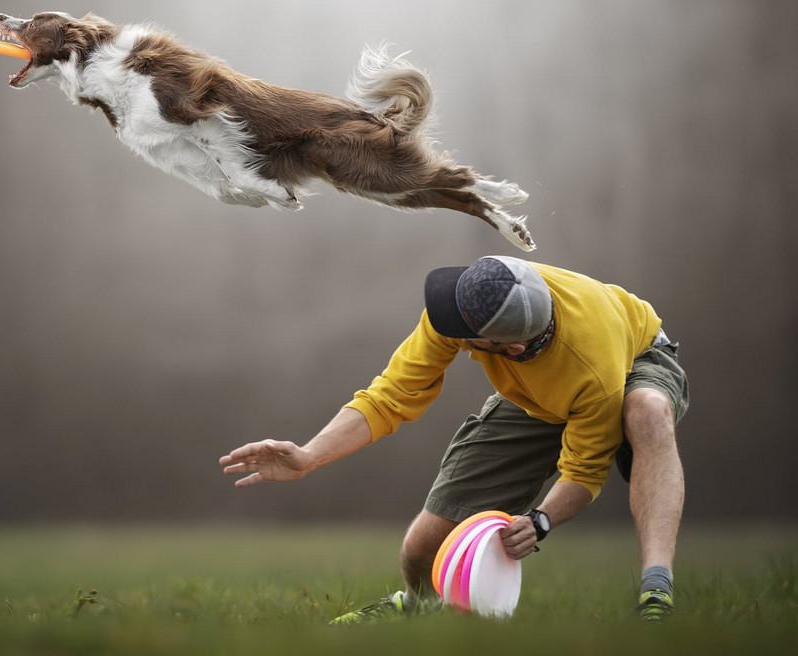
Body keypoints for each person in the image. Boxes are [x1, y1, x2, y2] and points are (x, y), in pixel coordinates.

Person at [219, 255, 688, 623]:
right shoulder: (482, 296)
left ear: (511, 348)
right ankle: (420, 611)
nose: (445, 326)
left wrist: (541, 520)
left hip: (634, 360)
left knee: (646, 411)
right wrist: (307, 457)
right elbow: (389, 396)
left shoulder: (591, 366)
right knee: (422, 548)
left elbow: (585, 471)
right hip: (536, 396)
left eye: (465, 335)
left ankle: (656, 593)